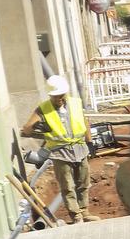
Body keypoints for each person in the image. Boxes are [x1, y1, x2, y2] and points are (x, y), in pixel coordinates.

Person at [20, 76, 100, 225]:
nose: (60, 99)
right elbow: (26, 128)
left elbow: (84, 122)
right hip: (60, 153)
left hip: (79, 149)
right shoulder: (43, 109)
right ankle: (76, 216)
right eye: (56, 96)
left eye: (62, 95)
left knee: (83, 182)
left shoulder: (75, 104)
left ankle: (85, 211)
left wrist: (90, 143)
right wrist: (37, 127)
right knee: (67, 186)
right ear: (50, 95)